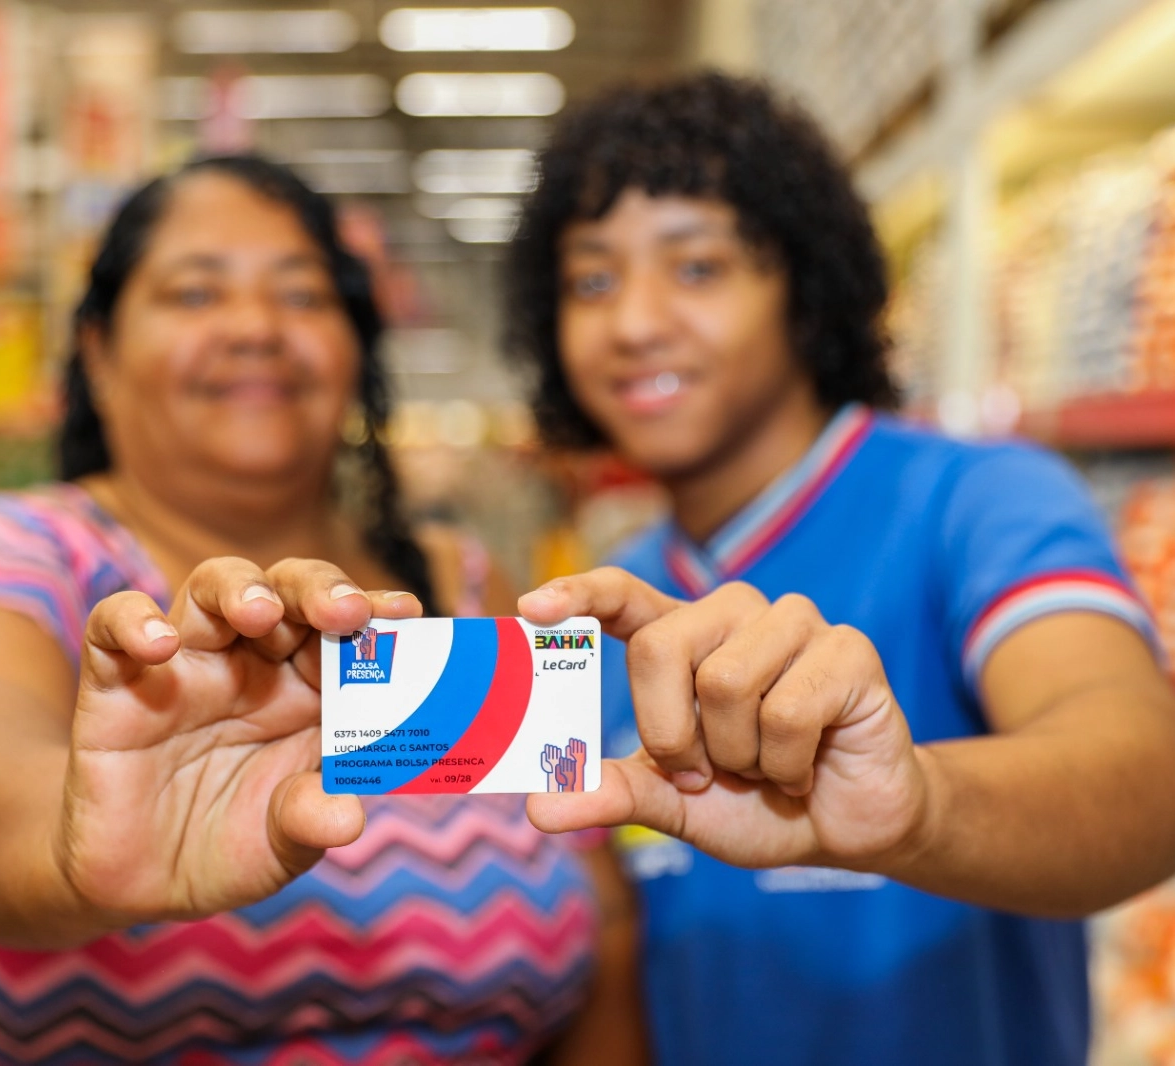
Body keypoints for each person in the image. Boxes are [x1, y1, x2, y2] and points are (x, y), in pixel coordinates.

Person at [0, 156, 645, 1065]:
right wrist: (73, 838)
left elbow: (598, 918)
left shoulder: (457, 588)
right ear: (99, 350)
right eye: (195, 293)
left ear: (356, 345)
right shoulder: (11, 556)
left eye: (301, 296)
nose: (254, 328)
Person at [502, 72, 1175, 1066]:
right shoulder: (604, 605)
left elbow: (1146, 778)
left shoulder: (978, 503)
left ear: (802, 285)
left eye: (697, 267)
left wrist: (918, 808)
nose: (634, 321)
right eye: (591, 280)